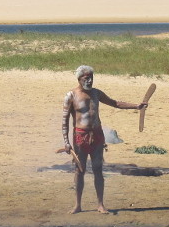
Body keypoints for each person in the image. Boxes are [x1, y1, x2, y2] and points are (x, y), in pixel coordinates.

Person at [62, 65, 148, 214]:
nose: (89, 81)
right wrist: (66, 142)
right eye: (86, 78)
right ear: (79, 79)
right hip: (80, 137)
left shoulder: (96, 93)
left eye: (91, 78)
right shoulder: (71, 95)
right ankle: (77, 205)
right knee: (79, 170)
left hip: (97, 135)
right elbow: (64, 120)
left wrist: (136, 106)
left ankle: (100, 204)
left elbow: (115, 103)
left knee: (97, 169)